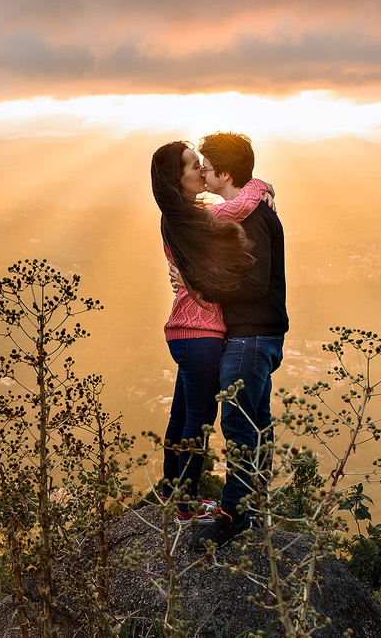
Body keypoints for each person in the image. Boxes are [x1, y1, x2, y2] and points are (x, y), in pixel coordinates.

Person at [149, 140, 274, 525]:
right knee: (198, 420)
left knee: (183, 415)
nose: (200, 172)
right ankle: (184, 505)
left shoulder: (183, 214)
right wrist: (259, 186)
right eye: (192, 167)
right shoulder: (187, 217)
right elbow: (236, 208)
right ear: (176, 179)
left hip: (187, 332)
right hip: (200, 334)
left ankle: (174, 495)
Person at [185, 132, 288, 550]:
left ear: (224, 172)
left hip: (252, 336)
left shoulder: (253, 219)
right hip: (259, 334)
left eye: (206, 167)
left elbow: (256, 282)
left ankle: (233, 515)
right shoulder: (247, 210)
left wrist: (207, 290)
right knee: (257, 423)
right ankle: (256, 504)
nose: (204, 174)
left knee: (237, 425)